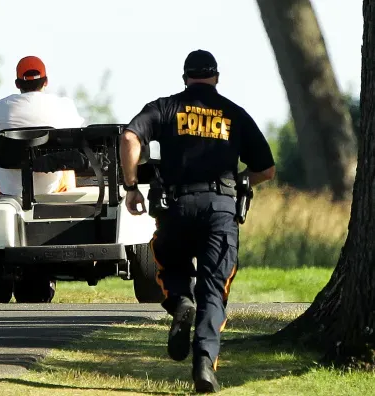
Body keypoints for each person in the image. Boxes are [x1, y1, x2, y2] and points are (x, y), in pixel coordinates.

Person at [119, 49, 275, 393]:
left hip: (176, 208)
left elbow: (129, 137)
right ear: (216, 77)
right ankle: (204, 362)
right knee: (214, 290)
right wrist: (243, 181)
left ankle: (180, 301)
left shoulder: (164, 107)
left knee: (166, 263)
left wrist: (132, 187)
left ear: (185, 77)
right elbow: (267, 169)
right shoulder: (234, 114)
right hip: (220, 210)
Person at [0, 55, 85, 197]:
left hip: (9, 189)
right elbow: (79, 143)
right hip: (51, 187)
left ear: (17, 84)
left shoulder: (1, 107)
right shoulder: (64, 106)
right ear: (46, 81)